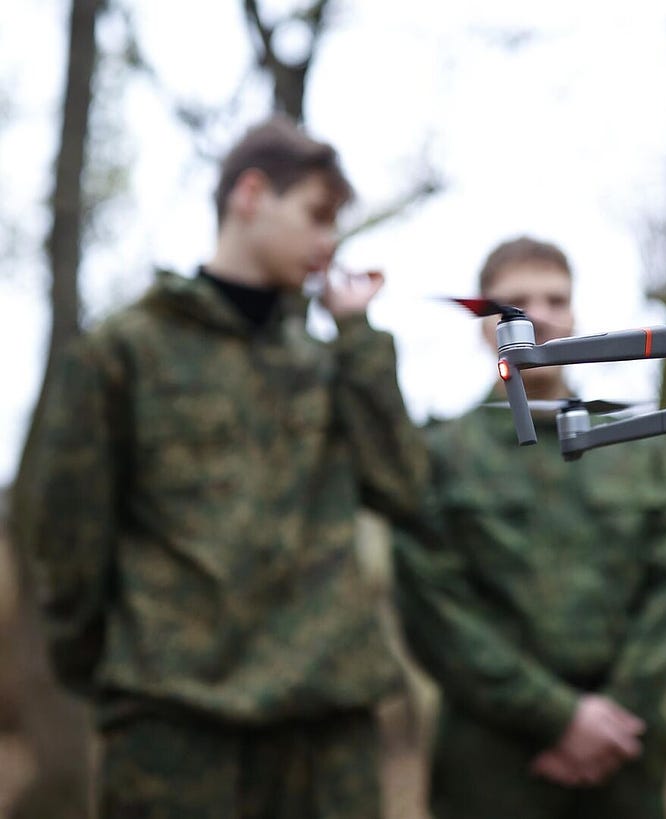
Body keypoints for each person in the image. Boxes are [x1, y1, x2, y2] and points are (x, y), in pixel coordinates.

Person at [15, 115, 429, 818]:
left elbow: (406, 488)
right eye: (316, 216)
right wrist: (120, 671)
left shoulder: (325, 365)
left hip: (325, 725)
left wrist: (357, 336)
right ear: (251, 194)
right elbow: (65, 542)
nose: (329, 242)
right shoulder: (126, 352)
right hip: (175, 725)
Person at [393, 236, 666, 819]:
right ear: (482, 324)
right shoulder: (439, 455)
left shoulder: (637, 442)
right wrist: (557, 718)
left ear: (575, 315)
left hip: (625, 751)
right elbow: (434, 607)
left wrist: (614, 713)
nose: (536, 315)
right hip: (492, 760)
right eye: (512, 302)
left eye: (554, 299)